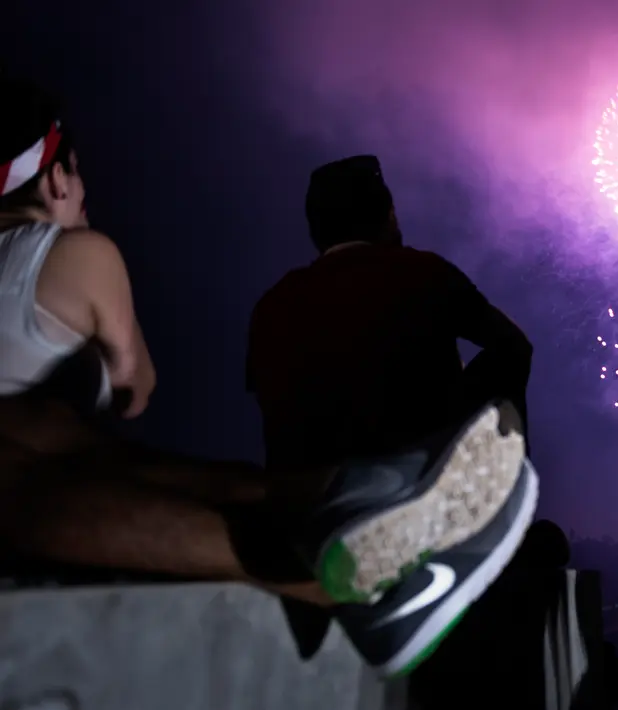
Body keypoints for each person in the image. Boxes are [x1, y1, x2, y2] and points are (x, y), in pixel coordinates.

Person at [0, 77, 529, 678]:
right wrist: (481, 413)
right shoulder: (425, 273)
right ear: (57, 178)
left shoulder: (273, 304)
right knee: (59, 453)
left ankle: (353, 499)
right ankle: (352, 547)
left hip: (279, 466)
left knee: (51, 439)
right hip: (353, 468)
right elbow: (134, 391)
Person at [246, 154, 538, 675]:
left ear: (316, 230)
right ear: (387, 214)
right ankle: (497, 510)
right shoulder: (423, 273)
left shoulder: (272, 304)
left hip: (304, 517)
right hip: (410, 488)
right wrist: (457, 408)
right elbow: (515, 347)